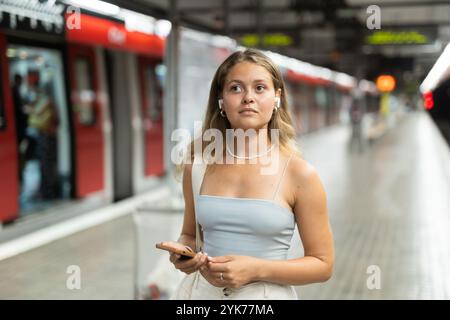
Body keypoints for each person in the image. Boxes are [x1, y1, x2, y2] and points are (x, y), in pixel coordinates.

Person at [168, 49, 334, 299]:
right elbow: (190, 234)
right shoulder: (198, 167)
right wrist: (185, 253)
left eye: (259, 88)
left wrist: (256, 269)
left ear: (276, 97)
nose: (248, 98)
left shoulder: (300, 174)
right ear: (221, 100)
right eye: (235, 88)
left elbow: (323, 265)